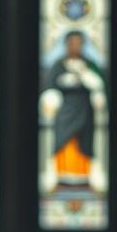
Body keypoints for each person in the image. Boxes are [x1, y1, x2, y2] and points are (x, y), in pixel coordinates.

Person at [40, 31, 106, 190]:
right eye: (72, 43)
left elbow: (100, 86)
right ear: (66, 45)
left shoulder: (90, 65)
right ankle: (62, 175)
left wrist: (85, 76)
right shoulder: (59, 65)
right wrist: (52, 97)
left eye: (79, 43)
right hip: (65, 111)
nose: (75, 46)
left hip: (85, 109)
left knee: (85, 142)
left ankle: (84, 176)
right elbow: (49, 86)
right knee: (63, 141)